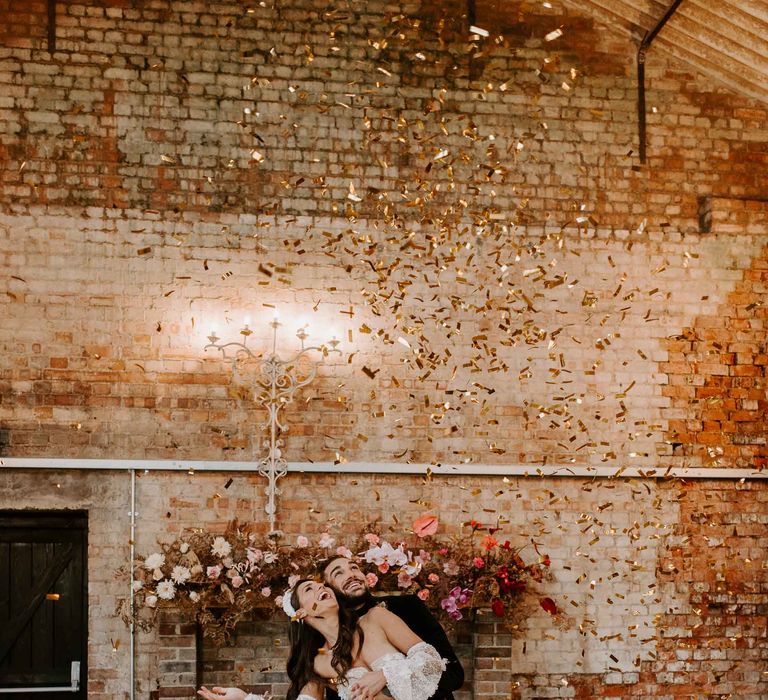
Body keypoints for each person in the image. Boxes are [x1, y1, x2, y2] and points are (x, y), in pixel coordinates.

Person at [198, 578, 445, 700]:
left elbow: (432, 660)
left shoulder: (376, 619)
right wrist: (243, 698)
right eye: (310, 590)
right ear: (302, 613)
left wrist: (384, 675)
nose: (320, 588)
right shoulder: (318, 663)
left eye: (320, 584)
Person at [322, 557, 464, 700]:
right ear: (327, 589)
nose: (351, 575)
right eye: (338, 573)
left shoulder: (407, 606)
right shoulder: (332, 636)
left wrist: (386, 676)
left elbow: (453, 674)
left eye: (354, 568)